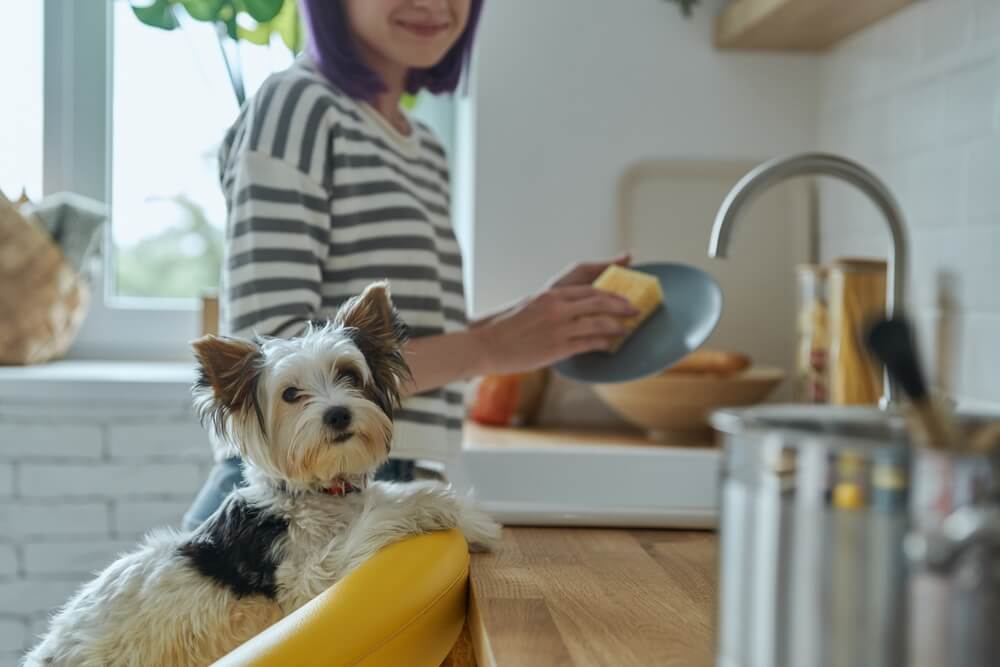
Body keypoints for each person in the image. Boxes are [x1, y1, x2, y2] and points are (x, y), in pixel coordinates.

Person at [182, 0, 636, 530]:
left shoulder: (423, 149)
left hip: (373, 482)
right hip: (294, 500)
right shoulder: (298, 105)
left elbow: (388, 348)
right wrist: (493, 343)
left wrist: (536, 321)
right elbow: (272, 352)